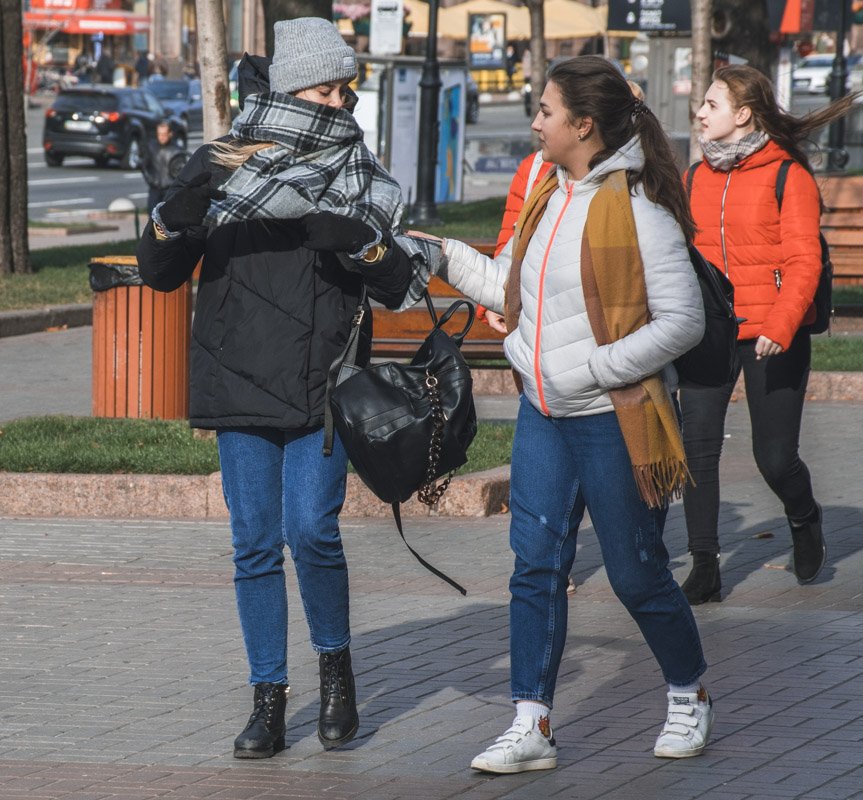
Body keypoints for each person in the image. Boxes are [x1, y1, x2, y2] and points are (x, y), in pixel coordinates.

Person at [135, 18, 439, 759]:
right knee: (253, 545)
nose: (343, 104)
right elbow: (159, 271)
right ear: (295, 89)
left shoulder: (357, 170)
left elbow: (401, 283)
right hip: (237, 374)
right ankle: (267, 698)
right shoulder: (224, 163)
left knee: (311, 530)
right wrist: (173, 219)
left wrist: (362, 243)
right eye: (330, 90)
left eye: (345, 91)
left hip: (323, 383)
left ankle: (336, 674)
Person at [425, 55, 712, 772]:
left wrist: (589, 370)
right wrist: (432, 252)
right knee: (535, 567)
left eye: (546, 112)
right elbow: (510, 287)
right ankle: (533, 723)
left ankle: (688, 695)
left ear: (583, 125)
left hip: (611, 418)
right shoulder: (545, 194)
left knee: (637, 572)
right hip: (542, 415)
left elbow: (683, 322)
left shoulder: (639, 206)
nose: (535, 122)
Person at [679, 66, 853, 604]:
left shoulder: (787, 175)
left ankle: (804, 516)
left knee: (774, 457)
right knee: (696, 450)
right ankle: (705, 568)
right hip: (710, 332)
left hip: (773, 332)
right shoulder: (694, 177)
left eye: (711, 103)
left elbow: (805, 262)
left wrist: (780, 325)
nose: (700, 112)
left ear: (743, 114)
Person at [141, 119, 188, 210]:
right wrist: (151, 180)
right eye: (159, 134)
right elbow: (144, 166)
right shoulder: (151, 147)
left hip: (170, 190)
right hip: (155, 188)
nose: (161, 137)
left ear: (170, 134)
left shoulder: (177, 150)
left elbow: (182, 171)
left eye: (164, 134)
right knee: (152, 216)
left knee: (169, 216)